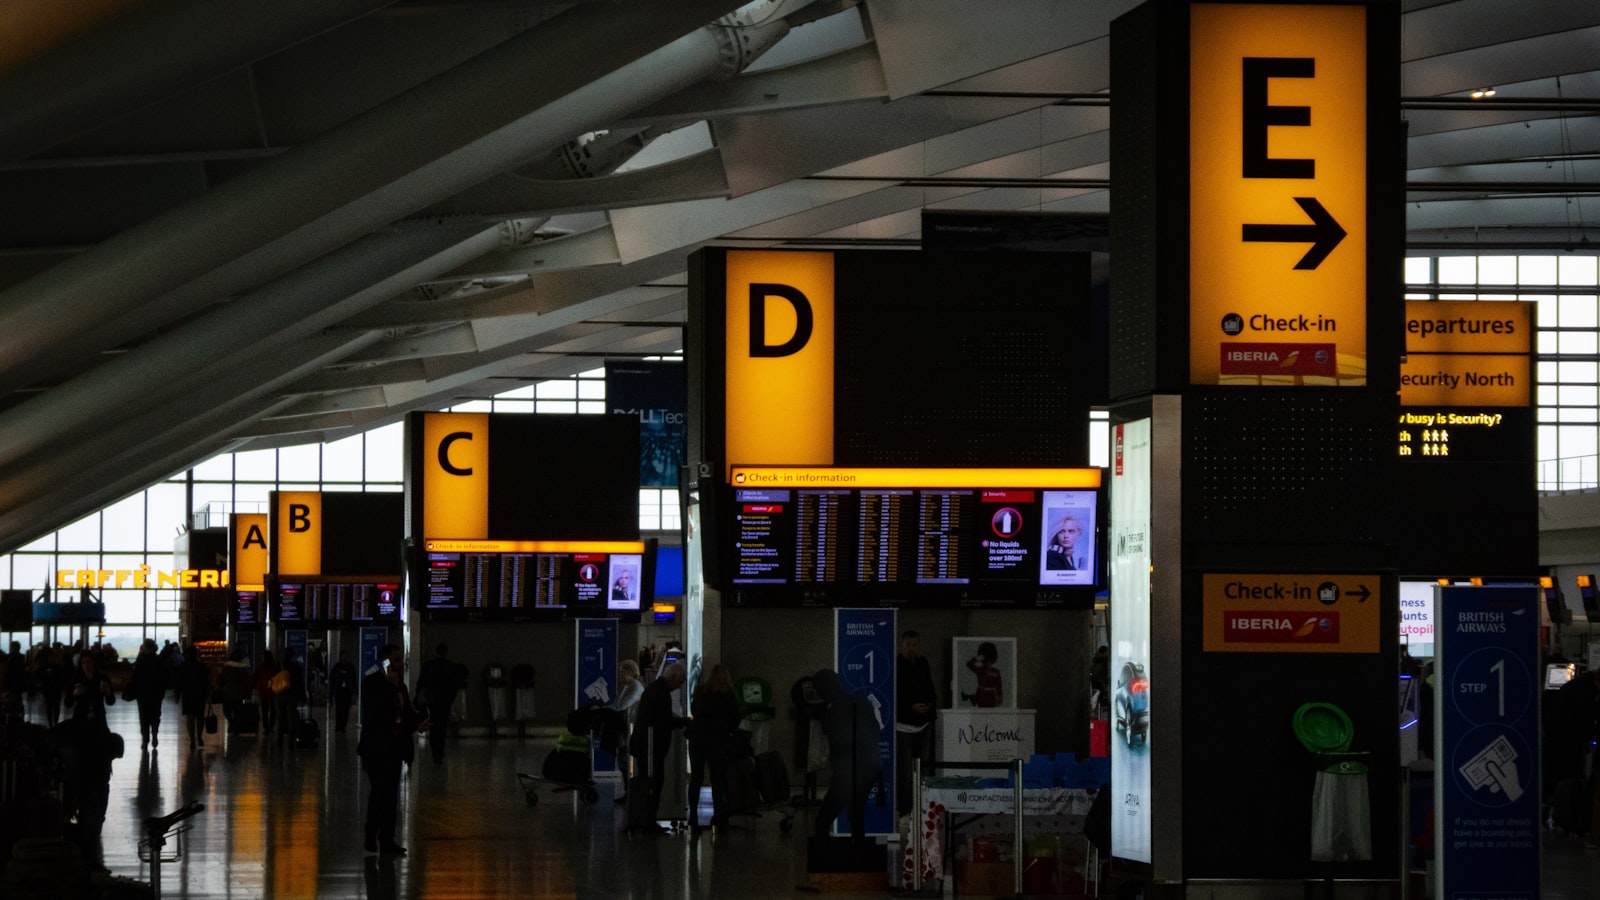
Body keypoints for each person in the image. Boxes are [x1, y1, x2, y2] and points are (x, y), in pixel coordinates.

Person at [358, 644, 427, 856]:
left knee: (390, 795)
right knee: (380, 791)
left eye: (400, 661)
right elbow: (376, 712)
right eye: (394, 660)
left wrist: (417, 724)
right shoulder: (372, 683)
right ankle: (371, 834)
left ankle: (386, 839)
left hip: (395, 748)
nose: (398, 665)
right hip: (376, 748)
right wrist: (390, 686)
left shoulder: (401, 688)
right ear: (385, 661)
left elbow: (406, 711)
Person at [57, 651, 119, 860]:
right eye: (83, 663)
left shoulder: (102, 680)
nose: (86, 666)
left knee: (101, 774)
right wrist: (75, 695)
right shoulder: (76, 680)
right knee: (86, 773)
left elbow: (110, 701)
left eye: (89, 662)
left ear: (94, 663)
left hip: (99, 728)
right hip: (81, 728)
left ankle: (95, 815)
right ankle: (88, 815)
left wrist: (107, 692)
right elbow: (66, 703)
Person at [812, 668, 882, 841]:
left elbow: (836, 739)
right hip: (870, 767)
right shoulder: (860, 701)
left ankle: (825, 861)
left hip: (849, 771)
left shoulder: (832, 711)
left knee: (824, 818)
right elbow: (874, 729)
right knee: (856, 812)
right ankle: (859, 856)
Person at [628, 661, 688, 833]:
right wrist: (684, 722)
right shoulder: (661, 692)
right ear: (673, 677)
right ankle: (649, 820)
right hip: (651, 748)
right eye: (681, 681)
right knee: (653, 782)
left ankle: (647, 819)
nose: (681, 685)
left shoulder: (654, 689)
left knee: (650, 781)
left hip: (646, 745)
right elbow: (664, 721)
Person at [686, 663, 742, 832]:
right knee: (717, 779)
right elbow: (736, 717)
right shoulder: (728, 694)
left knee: (696, 778)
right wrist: (728, 732)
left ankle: (693, 817)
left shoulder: (702, 690)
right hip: (717, 740)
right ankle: (719, 815)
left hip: (697, 738)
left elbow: (694, 709)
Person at [895, 629, 938, 815]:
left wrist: (930, 706)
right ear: (901, 646)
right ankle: (904, 807)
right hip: (903, 724)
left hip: (923, 722)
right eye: (908, 645)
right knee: (905, 769)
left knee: (924, 767)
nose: (912, 649)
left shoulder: (922, 663)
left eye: (915, 645)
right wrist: (909, 708)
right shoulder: (896, 665)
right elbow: (895, 694)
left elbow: (929, 687)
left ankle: (924, 804)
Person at [415, 644, 465, 763]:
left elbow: (421, 682)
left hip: (432, 700)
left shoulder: (429, 665)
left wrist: (419, 698)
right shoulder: (451, 666)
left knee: (433, 723)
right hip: (445, 700)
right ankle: (439, 751)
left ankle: (434, 748)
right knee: (442, 726)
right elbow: (455, 685)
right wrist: (450, 698)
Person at [130, 638, 167, 750]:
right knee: (155, 715)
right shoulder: (158, 660)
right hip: (156, 693)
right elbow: (164, 677)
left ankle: (145, 739)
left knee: (144, 717)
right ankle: (154, 734)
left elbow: (134, 677)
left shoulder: (141, 660)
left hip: (143, 693)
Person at [179, 642, 212, 750]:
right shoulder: (201, 666)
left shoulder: (184, 666)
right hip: (199, 694)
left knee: (190, 718)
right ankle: (199, 736)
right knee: (199, 716)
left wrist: (178, 694)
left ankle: (192, 740)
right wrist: (207, 694)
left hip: (188, 694)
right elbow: (205, 681)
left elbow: (179, 681)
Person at [218, 649, 252, 732]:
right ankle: (235, 725)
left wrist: (220, 686)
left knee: (226, 710)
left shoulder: (226, 668)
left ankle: (231, 722)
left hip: (228, 693)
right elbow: (247, 681)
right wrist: (248, 692)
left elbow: (222, 679)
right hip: (239, 693)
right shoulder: (243, 669)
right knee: (237, 711)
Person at [329, 651, 357, 734]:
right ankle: (338, 726)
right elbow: (332, 678)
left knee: (346, 709)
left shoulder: (350, 667)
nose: (345, 657)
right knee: (339, 709)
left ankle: (343, 726)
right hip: (339, 690)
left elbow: (354, 678)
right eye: (343, 656)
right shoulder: (337, 666)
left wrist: (354, 691)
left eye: (346, 655)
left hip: (347, 690)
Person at [253, 651, 279, 734]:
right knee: (273, 710)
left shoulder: (260, 667)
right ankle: (271, 726)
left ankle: (266, 727)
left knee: (264, 710)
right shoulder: (275, 667)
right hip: (273, 691)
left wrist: (253, 688)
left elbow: (255, 677)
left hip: (263, 691)